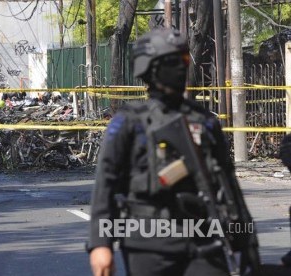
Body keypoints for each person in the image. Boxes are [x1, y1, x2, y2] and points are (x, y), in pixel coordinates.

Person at [87, 29, 259, 276]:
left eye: (184, 61)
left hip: (204, 239)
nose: (180, 68)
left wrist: (247, 242)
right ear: (151, 67)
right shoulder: (129, 122)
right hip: (149, 244)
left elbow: (229, 184)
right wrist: (100, 245)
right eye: (172, 62)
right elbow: (106, 184)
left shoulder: (204, 121)